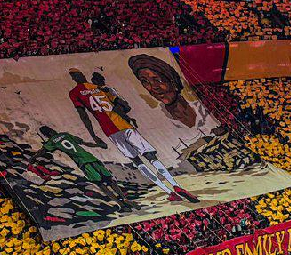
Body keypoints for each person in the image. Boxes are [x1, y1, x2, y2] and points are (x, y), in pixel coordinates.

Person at [68, 68, 198, 203]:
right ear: (82, 75)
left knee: (137, 161)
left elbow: (83, 115)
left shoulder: (75, 93)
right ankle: (176, 186)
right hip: (124, 125)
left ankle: (169, 191)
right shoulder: (101, 88)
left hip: (111, 131)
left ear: (73, 78)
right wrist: (127, 116)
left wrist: (93, 134)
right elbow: (123, 106)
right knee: (150, 156)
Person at [34, 126, 133, 211]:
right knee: (110, 180)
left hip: (83, 163)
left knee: (101, 184)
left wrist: (33, 158)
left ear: (47, 135)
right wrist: (98, 145)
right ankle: (124, 198)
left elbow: (42, 151)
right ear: (51, 130)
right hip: (91, 158)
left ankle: (120, 204)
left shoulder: (51, 142)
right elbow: (84, 143)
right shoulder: (65, 134)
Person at [128, 54, 206, 129]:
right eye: (145, 82)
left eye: (156, 79)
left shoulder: (200, 107)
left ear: (172, 80)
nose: (153, 87)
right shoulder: (160, 122)